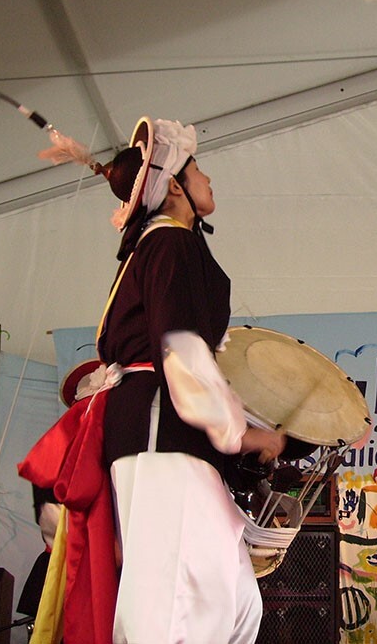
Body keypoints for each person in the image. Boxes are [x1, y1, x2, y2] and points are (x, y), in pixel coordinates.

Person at [22, 116, 285, 644]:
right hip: (160, 434)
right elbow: (180, 348)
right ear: (175, 188)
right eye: (199, 169)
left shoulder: (165, 245)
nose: (208, 179)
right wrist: (241, 434)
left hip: (168, 433)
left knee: (233, 598)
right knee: (178, 603)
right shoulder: (167, 243)